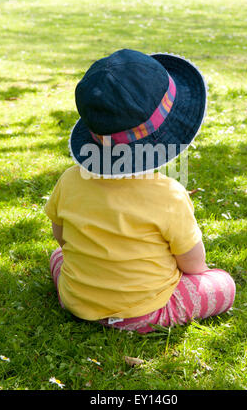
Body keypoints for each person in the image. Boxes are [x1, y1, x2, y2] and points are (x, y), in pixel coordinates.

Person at [44, 49, 235, 334]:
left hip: (76, 300)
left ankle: (89, 294)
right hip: (144, 311)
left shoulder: (69, 180)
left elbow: (61, 238)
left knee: (56, 257)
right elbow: (194, 265)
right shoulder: (169, 194)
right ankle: (131, 315)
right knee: (223, 284)